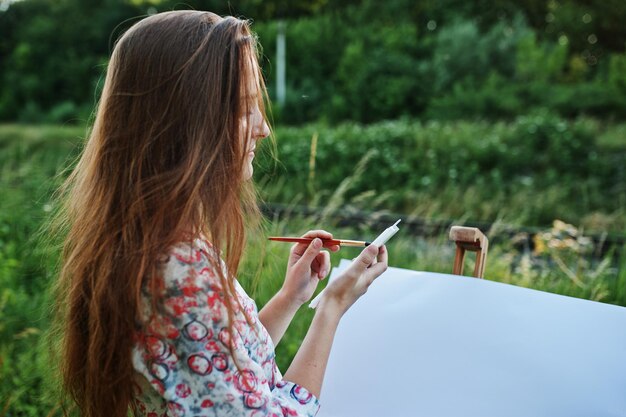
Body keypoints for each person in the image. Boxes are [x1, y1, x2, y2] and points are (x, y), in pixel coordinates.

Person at [53, 10, 388, 417]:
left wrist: (291, 297)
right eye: (245, 107)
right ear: (188, 120)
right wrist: (332, 306)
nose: (263, 127)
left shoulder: (160, 242)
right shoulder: (180, 269)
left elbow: (221, 375)